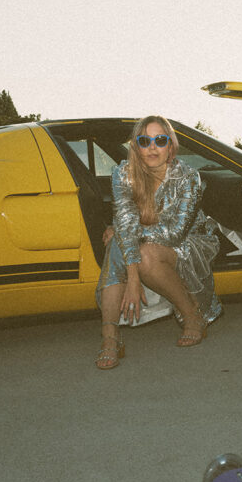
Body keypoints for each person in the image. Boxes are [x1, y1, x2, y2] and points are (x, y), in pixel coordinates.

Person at [95, 115, 222, 369]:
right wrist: (132, 277)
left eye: (160, 140)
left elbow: (175, 232)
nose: (152, 147)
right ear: (135, 146)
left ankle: (192, 316)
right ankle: (110, 337)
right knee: (117, 246)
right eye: (144, 141)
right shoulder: (123, 174)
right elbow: (125, 218)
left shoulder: (188, 177)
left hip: (191, 239)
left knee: (140, 251)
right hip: (149, 237)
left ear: (170, 145)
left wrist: (124, 230)